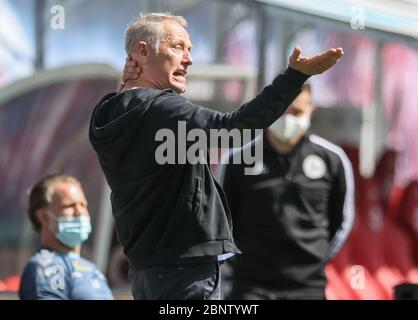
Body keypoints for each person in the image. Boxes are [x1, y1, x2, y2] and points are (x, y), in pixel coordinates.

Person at [89, 12, 344, 300]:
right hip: (185, 274)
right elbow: (233, 129)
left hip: (147, 271)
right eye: (177, 47)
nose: (188, 59)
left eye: (190, 49)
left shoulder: (107, 112)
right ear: (142, 52)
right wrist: (294, 78)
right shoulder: (164, 111)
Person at [217, 84, 355, 300]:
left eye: (297, 112)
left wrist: (314, 260)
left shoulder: (333, 160)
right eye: (281, 111)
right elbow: (221, 222)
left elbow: (342, 222)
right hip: (251, 286)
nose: (288, 118)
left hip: (308, 287)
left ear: (311, 111)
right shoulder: (237, 159)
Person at [19, 174, 113, 300]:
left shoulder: (92, 269)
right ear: (44, 217)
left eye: (83, 205)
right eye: (69, 206)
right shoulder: (45, 266)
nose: (80, 212)